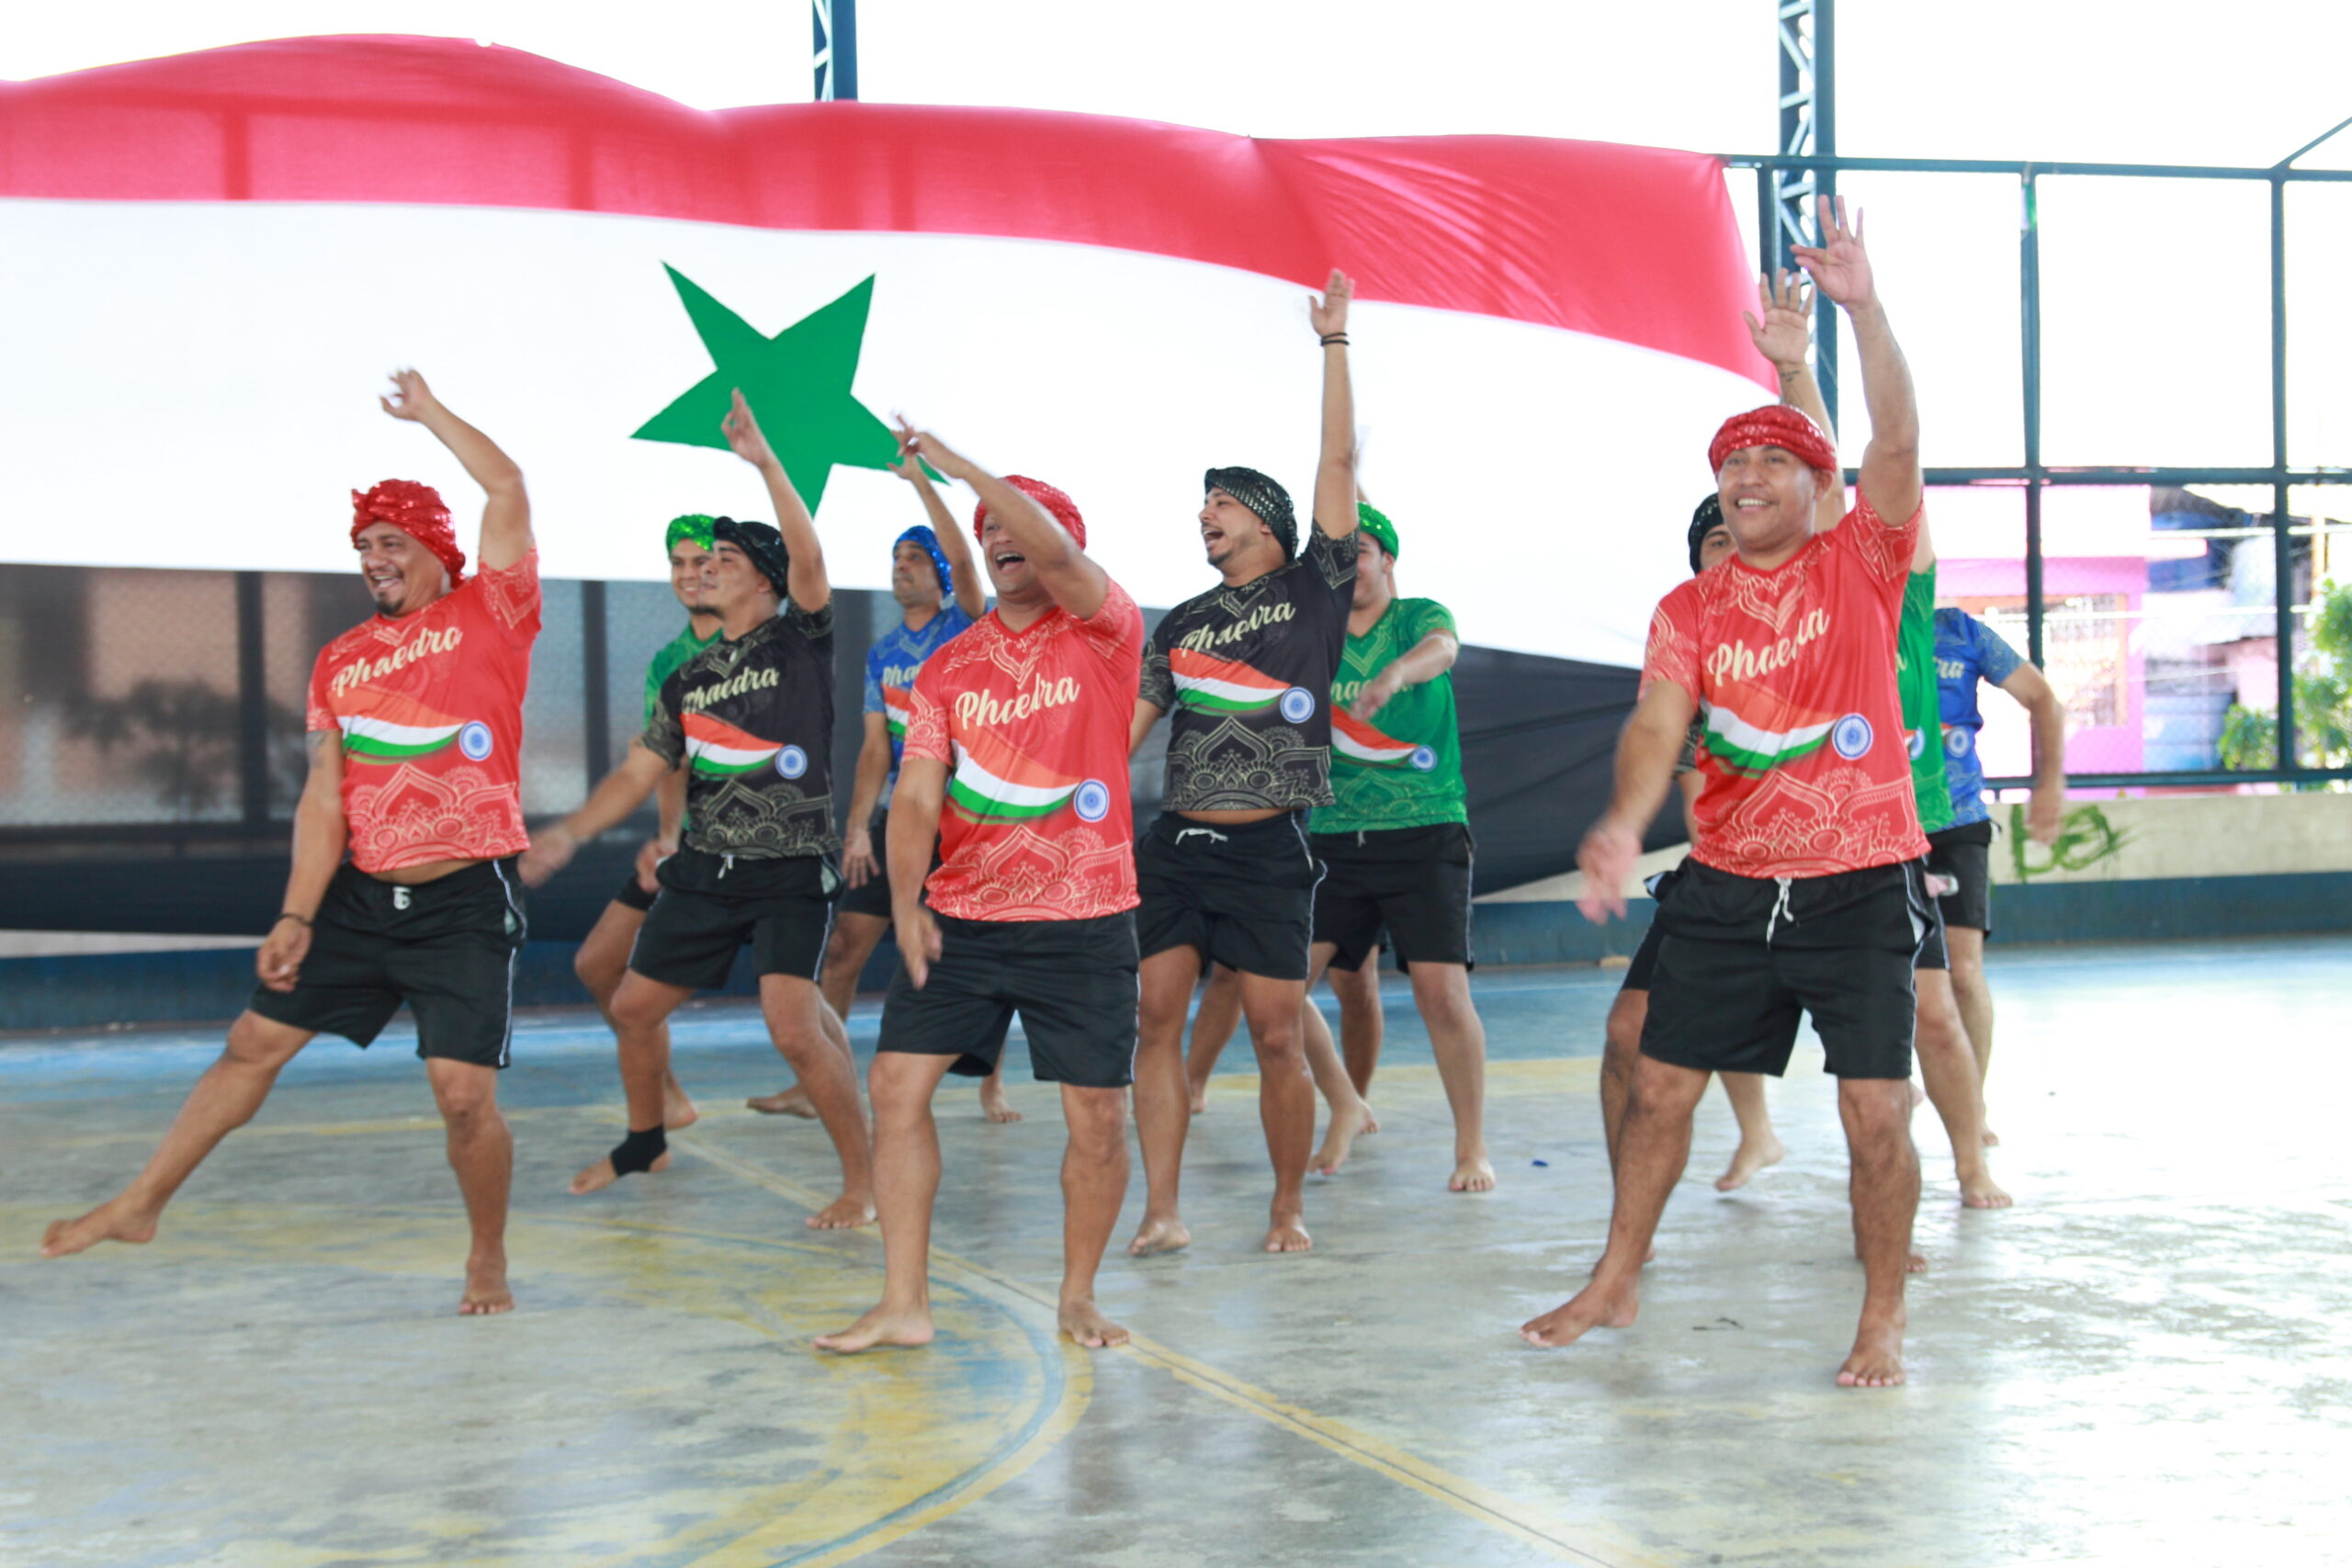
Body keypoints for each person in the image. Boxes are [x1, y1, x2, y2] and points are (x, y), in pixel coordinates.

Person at [1524, 197, 1929, 1387]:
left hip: (1858, 878)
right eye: (1730, 463)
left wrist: (1862, 312)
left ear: (1816, 483)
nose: (1746, 475)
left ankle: (1882, 1317)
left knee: (1873, 1113)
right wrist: (1618, 821)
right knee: (1658, 1086)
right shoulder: (1689, 607)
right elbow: (1658, 723)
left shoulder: (1860, 561)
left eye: (1771, 459)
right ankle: (1616, 1276)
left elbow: (1896, 441)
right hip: (1729, 883)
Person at [41, 370, 537, 1315]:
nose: (373, 559)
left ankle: (487, 1257)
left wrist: (428, 413)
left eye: (391, 541)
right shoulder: (339, 660)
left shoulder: (491, 614)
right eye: (363, 547)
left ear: (437, 548)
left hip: (463, 902)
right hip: (360, 896)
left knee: (462, 1096)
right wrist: (297, 915)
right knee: (250, 1043)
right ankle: (140, 1205)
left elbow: (506, 486)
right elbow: (322, 800)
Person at [815, 430, 1142, 1354]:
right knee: (896, 1086)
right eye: (984, 528)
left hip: (1084, 915)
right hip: (964, 917)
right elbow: (918, 793)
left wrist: (961, 469)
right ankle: (903, 1304)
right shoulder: (950, 666)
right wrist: (906, 903)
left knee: (1097, 1118)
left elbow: (1063, 558)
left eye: (1012, 524)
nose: (997, 537)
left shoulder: (1105, 631)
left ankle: (1077, 1296)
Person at [520, 391, 874, 1228]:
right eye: (700, 558)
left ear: (765, 577)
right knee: (632, 1006)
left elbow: (809, 554)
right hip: (706, 871)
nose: (704, 567)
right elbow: (639, 770)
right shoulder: (687, 679)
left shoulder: (799, 638)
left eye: (723, 557)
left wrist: (764, 461)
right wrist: (569, 832)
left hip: (787, 868)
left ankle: (863, 1181)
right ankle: (648, 1139)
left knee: (793, 1027)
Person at [1126, 268, 1359, 1257]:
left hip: (1269, 851)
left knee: (1275, 1032)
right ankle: (1162, 1209)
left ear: (1266, 522)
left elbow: (1339, 460)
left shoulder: (1315, 587)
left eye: (1221, 503)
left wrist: (1333, 344)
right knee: (1154, 1020)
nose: (1204, 515)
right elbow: (1131, 726)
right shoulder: (1179, 622)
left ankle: (1286, 1207)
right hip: (1178, 847)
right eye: (1201, 505)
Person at [747, 450, 1001, 1122]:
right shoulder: (882, 654)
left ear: (939, 573)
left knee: (980, 952)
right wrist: (859, 826)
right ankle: (818, 1084)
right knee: (843, 948)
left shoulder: (965, 624)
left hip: (967, 819)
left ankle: (990, 1082)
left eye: (914, 557)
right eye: (895, 558)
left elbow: (966, 560)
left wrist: (920, 483)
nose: (901, 566)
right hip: (899, 816)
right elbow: (872, 749)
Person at [1298, 500, 1492, 1190]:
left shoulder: (1416, 619)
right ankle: (1346, 1102)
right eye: (1339, 555)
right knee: (1280, 990)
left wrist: (1396, 674)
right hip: (1335, 838)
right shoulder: (1315, 634)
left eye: (1361, 552)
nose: (1350, 566)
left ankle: (1471, 1147)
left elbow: (1444, 648)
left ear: (1387, 560)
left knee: (1442, 994)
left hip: (1424, 831)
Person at [1600, 498, 1785, 1194]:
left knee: (1880, 1069)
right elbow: (1694, 803)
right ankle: (1632, 1223)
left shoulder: (1817, 639)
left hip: (1833, 876)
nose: (1732, 551)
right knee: (1628, 1031)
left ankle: (1938, 1162)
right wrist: (1620, 830)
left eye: (1743, 537)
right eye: (1716, 541)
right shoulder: (1686, 669)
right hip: (1726, 877)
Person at [569, 514, 720, 1136]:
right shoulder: (669, 661)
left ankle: (862, 1150)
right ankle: (668, 1097)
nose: (689, 574)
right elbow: (665, 761)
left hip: (756, 851)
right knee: (597, 964)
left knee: (794, 1012)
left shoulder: (767, 643)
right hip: (689, 848)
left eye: (702, 562)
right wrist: (667, 839)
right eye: (678, 563)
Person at [1932, 604, 2067, 1141]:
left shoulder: (1961, 631)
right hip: (1877, 824)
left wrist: (2050, 783)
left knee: (1963, 971)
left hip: (1957, 821)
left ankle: (1972, 1105)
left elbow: (2043, 698)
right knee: (1885, 972)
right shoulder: (1853, 624)